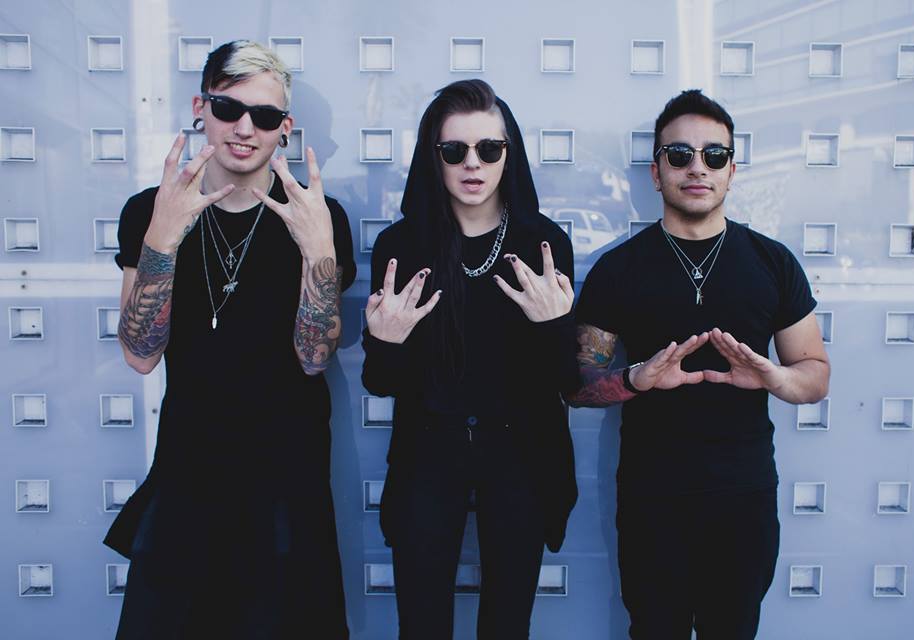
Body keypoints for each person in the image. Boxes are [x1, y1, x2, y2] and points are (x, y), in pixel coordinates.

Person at [104, 40, 355, 639]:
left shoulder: (318, 214)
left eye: (265, 116)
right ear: (201, 108)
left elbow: (314, 357)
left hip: (287, 477)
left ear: (285, 128)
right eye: (228, 108)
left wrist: (318, 249)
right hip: (189, 470)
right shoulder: (149, 210)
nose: (245, 129)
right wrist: (163, 239)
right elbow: (140, 354)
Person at [569, 89, 830, 639]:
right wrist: (636, 379)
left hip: (743, 495)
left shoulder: (773, 263)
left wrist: (774, 376)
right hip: (652, 497)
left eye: (714, 155)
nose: (697, 167)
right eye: (679, 154)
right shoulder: (618, 270)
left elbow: (814, 374)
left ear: (731, 170)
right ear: (656, 171)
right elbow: (578, 385)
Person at [361, 79, 579, 640]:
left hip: (522, 451)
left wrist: (554, 327)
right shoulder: (402, 247)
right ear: (432, 156)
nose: (473, 164)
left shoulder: (542, 244)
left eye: (489, 148)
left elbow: (566, 381)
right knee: (421, 624)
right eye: (454, 149)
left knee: (508, 623)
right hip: (429, 448)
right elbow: (381, 382)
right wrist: (386, 341)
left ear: (510, 152)